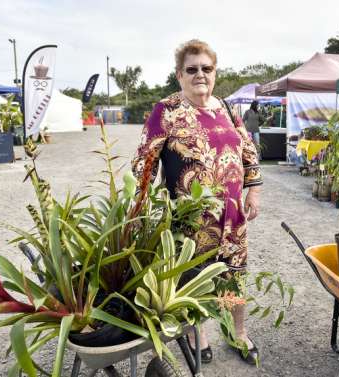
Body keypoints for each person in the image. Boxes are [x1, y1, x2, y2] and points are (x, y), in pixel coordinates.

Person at [131, 39, 263, 363]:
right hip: (190, 222)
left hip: (232, 219)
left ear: (215, 72)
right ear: (179, 75)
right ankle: (198, 334)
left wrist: (253, 189)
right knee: (193, 279)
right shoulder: (167, 111)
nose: (200, 74)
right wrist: (143, 206)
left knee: (233, 275)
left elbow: (248, 150)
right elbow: (144, 161)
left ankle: (237, 333)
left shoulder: (227, 109)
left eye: (206, 68)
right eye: (192, 69)